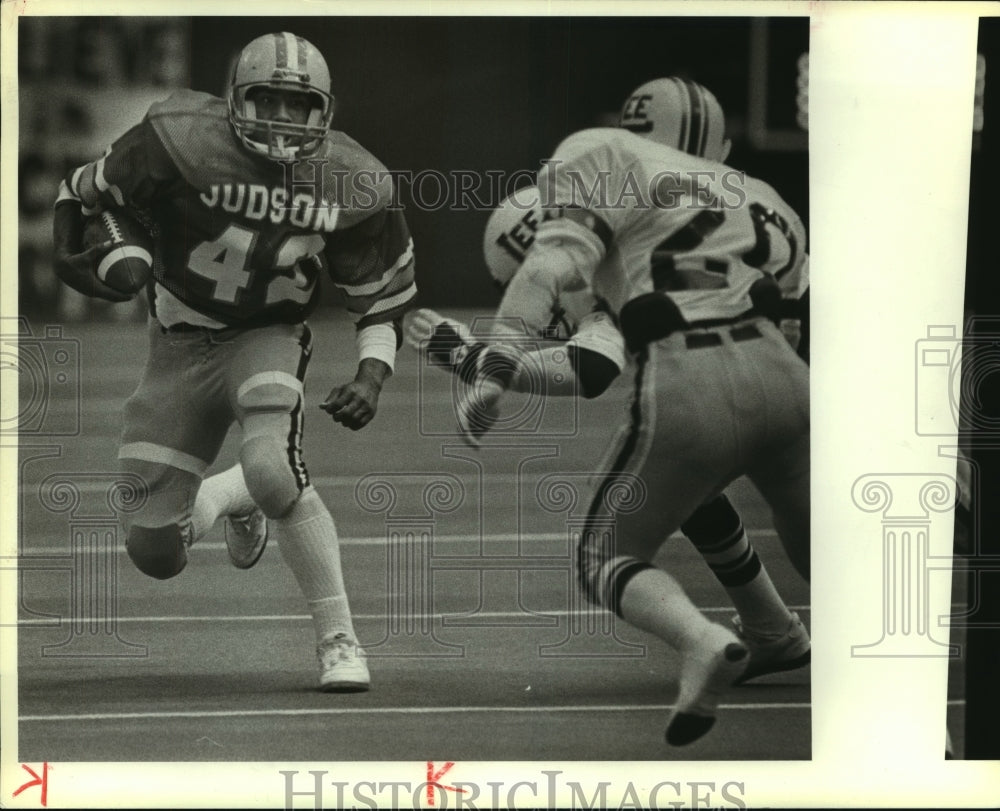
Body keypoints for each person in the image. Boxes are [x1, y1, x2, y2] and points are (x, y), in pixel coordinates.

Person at [412, 78, 809, 745]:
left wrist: (492, 361)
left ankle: (702, 639)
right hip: (793, 382)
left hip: (696, 381)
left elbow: (579, 334)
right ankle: (788, 635)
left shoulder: (605, 161)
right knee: (817, 550)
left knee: (607, 553)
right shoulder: (767, 202)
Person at [52, 32, 417, 692]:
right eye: (266, 101)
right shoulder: (176, 137)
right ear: (233, 100)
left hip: (266, 333)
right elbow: (85, 196)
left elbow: (382, 301)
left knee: (276, 470)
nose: (280, 120)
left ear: (325, 111)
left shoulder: (352, 179)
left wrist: (371, 373)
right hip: (178, 344)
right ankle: (231, 494)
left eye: (296, 105)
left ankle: (339, 637)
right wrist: (98, 251)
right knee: (154, 552)